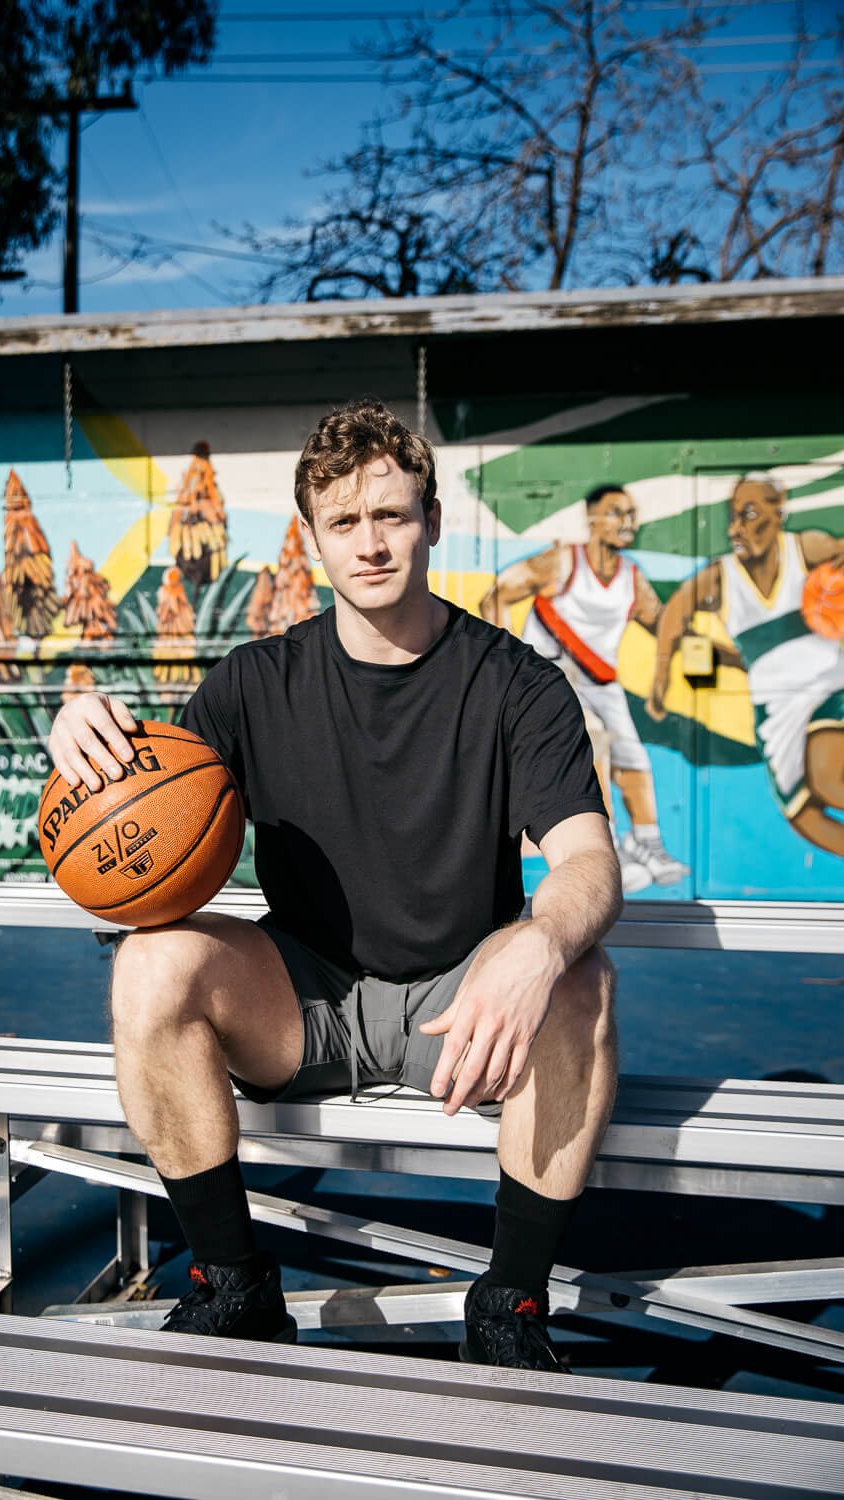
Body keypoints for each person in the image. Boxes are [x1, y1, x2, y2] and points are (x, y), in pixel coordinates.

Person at [49, 399, 621, 1372]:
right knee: (150, 966)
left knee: (579, 974)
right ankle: (233, 1283)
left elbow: (587, 860)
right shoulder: (250, 686)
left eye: (392, 516)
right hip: (306, 997)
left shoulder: (515, 683)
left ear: (432, 521)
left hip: (459, 1009)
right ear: (312, 538)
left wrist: (539, 941)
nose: (370, 544)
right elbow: (138, 820)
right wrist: (77, 728)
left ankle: (508, 1301)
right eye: (345, 523)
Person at [480, 484, 689, 894]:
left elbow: (662, 623)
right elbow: (498, 594)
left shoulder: (631, 577)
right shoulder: (562, 561)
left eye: (631, 513)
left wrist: (672, 669)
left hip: (602, 681)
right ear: (592, 518)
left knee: (634, 756)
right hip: (552, 676)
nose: (627, 521)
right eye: (616, 512)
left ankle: (646, 842)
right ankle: (603, 846)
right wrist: (503, 661)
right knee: (592, 743)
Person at [648, 473, 844, 857]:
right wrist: (660, 680)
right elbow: (675, 614)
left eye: (750, 513)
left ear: (779, 510)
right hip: (774, 705)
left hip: (829, 684)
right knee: (801, 812)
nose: (737, 527)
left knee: (828, 777)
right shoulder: (721, 577)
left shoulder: (807, 547)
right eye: (734, 516)